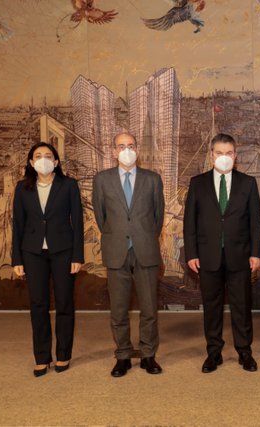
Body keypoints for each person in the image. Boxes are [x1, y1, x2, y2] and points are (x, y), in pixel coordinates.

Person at [184, 133, 260, 373]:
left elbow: (256, 222)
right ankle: (213, 353)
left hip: (240, 256)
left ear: (235, 155)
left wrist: (256, 253)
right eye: (219, 153)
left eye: (229, 153)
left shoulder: (248, 183)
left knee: (242, 307)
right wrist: (191, 253)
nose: (224, 157)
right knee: (212, 308)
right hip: (208, 257)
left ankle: (245, 352)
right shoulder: (197, 183)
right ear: (211, 155)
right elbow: (189, 222)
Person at [92, 132, 165, 377]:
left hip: (145, 250)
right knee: (118, 309)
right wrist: (119, 235)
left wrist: (142, 236)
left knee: (149, 308)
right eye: (121, 146)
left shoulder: (152, 179)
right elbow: (101, 217)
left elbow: (158, 218)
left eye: (131, 145)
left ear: (137, 149)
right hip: (116, 251)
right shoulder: (102, 180)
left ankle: (148, 355)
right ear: (114, 151)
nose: (126, 150)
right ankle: (122, 355)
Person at [12, 142, 84, 377]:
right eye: (38, 156)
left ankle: (63, 354)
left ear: (56, 161)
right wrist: (17, 259)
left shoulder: (69, 185)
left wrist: (77, 255)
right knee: (38, 304)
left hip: (63, 251)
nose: (43, 159)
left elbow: (77, 222)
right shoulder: (22, 188)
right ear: (31, 162)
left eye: (48, 155)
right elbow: (18, 225)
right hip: (32, 253)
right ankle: (42, 357)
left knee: (64, 303)